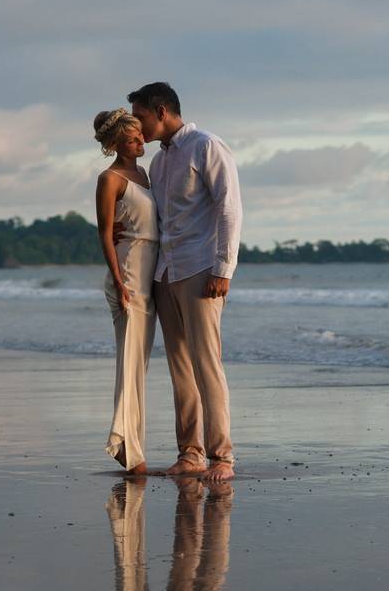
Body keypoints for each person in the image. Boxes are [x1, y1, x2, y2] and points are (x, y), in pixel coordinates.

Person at [128, 82, 242, 481]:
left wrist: (223, 269)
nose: (137, 128)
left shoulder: (207, 146)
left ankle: (222, 458)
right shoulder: (158, 164)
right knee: (180, 369)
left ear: (161, 111)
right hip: (165, 273)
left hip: (200, 270)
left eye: (140, 117)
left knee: (207, 364)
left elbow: (230, 208)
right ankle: (190, 454)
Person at [93, 108, 158, 475]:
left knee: (141, 366)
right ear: (116, 143)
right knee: (129, 364)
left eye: (140, 138)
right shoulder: (110, 178)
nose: (140, 143)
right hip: (128, 275)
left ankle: (128, 443)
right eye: (133, 139)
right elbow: (104, 233)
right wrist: (119, 283)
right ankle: (125, 447)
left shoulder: (145, 174)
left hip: (150, 274)